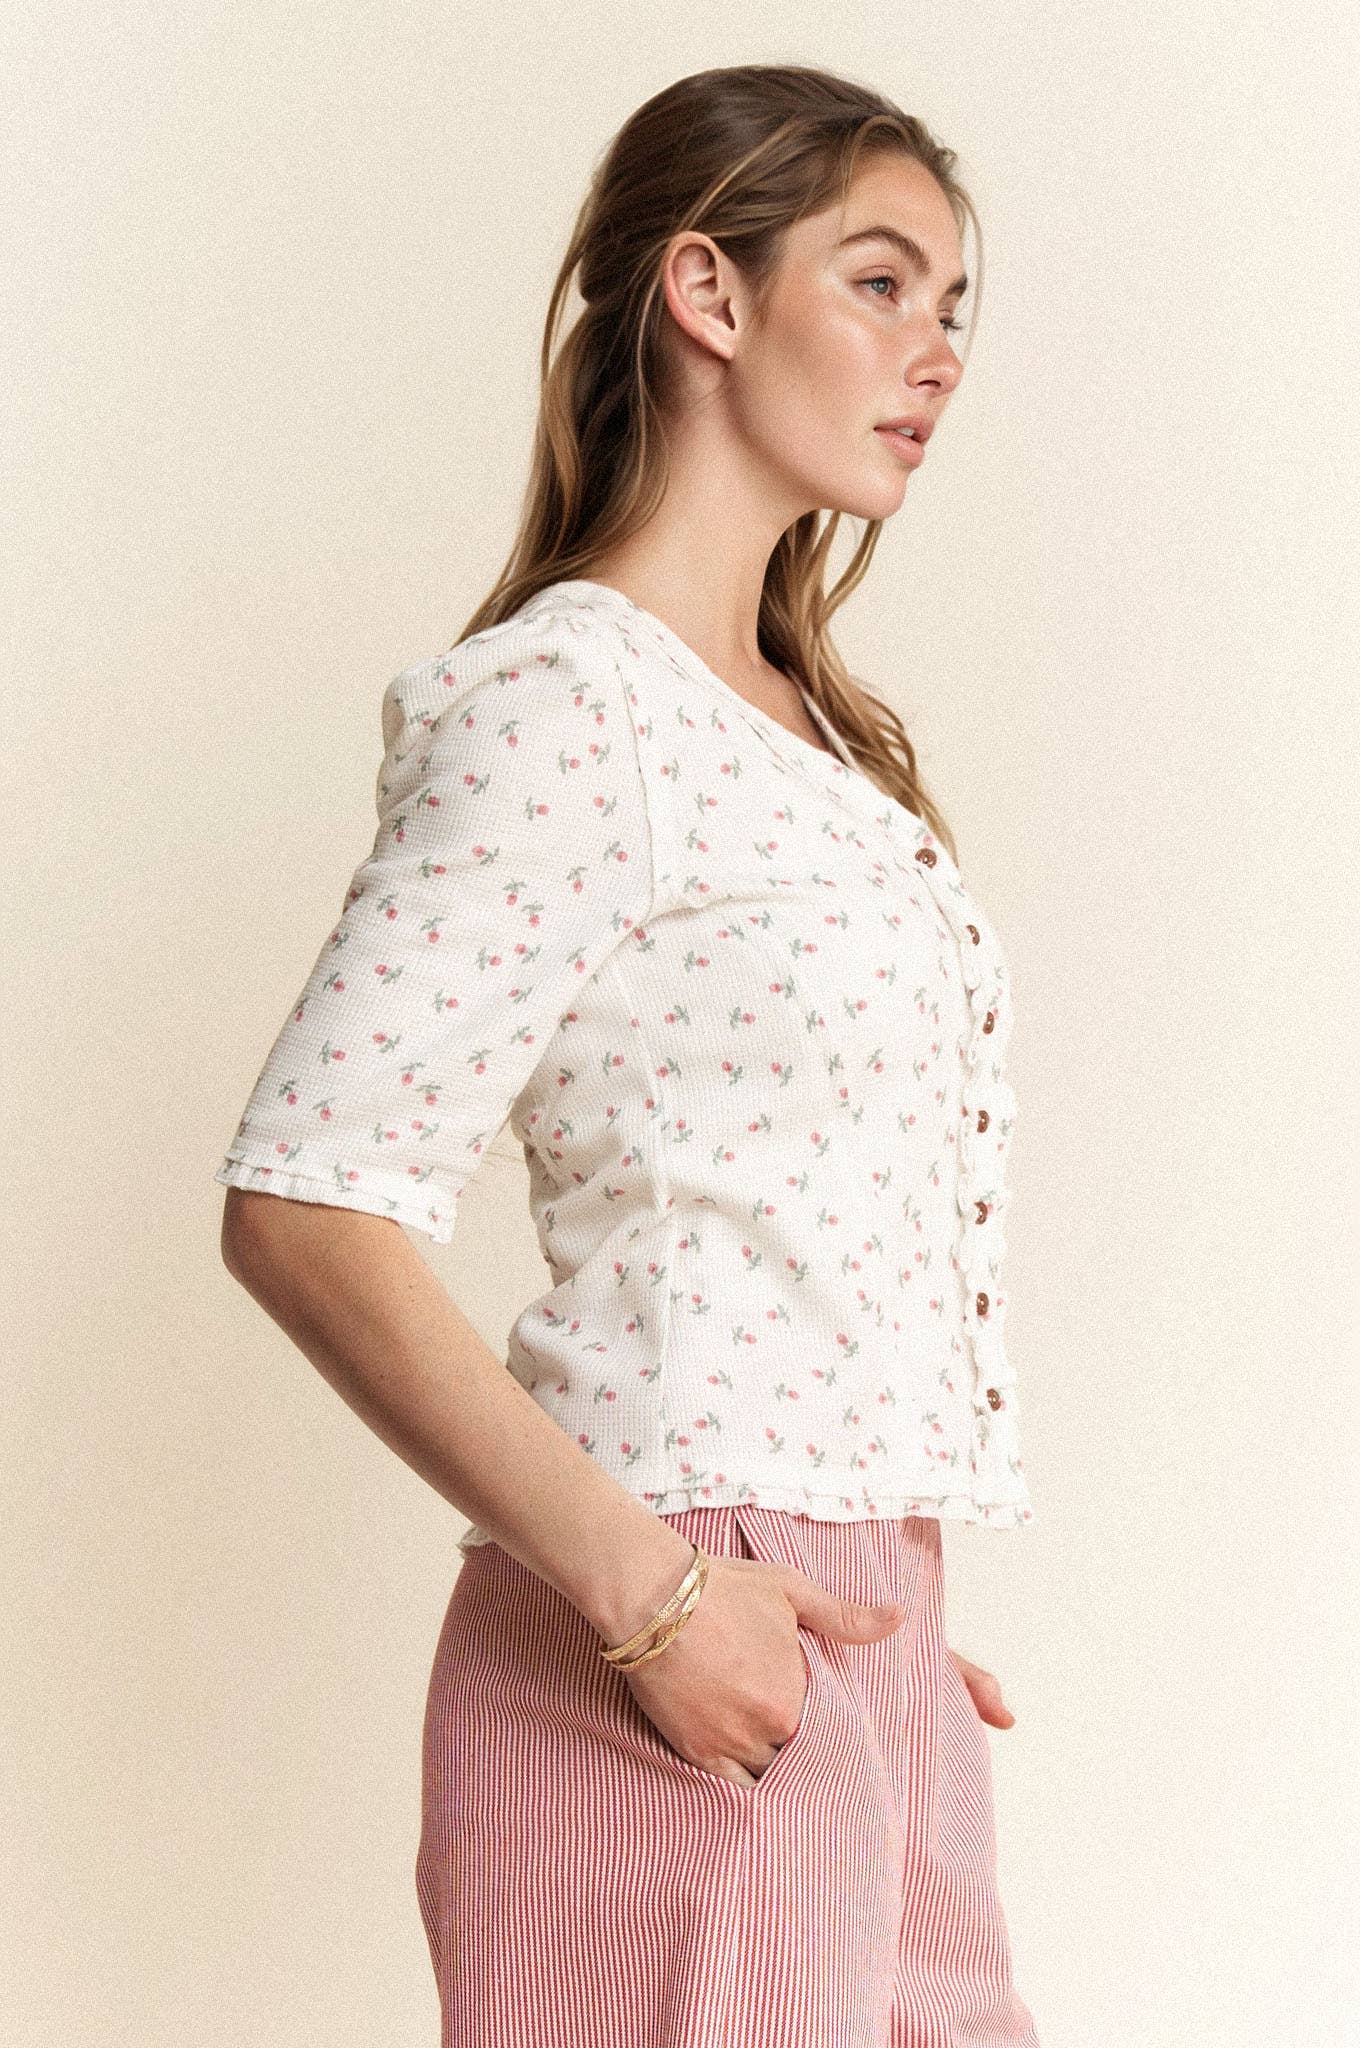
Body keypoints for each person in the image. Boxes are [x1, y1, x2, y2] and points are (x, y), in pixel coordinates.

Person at [215, 61, 1040, 2048]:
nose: (935, 351)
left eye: (952, 307)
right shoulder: (569, 709)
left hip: (845, 1636)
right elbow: (303, 1205)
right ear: (707, 292)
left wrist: (878, 1617)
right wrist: (665, 1599)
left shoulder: (804, 736)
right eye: (881, 281)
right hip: (668, 1639)